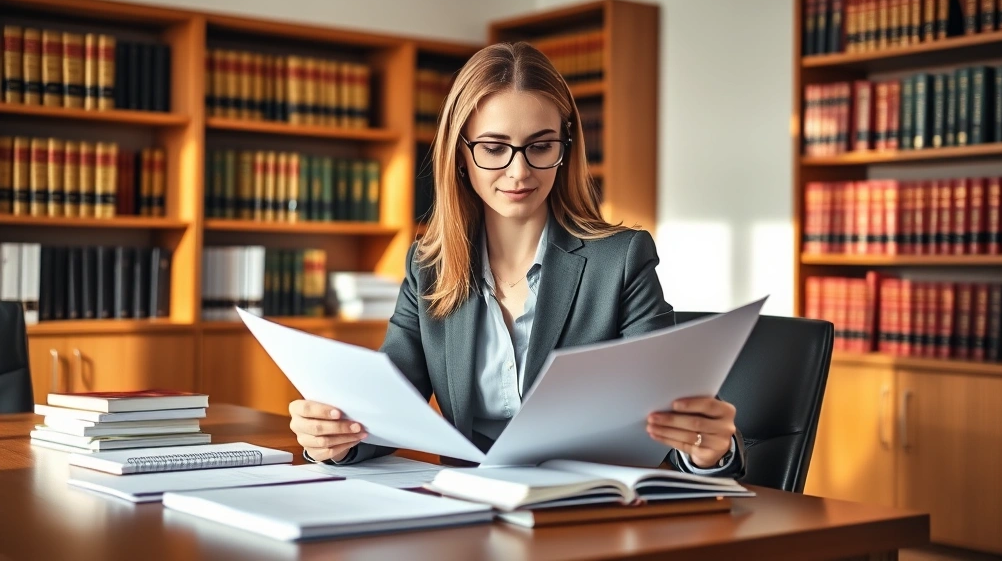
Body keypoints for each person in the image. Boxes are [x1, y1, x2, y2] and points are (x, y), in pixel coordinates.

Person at [289, 41, 745, 477]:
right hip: (470, 513)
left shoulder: (621, 260)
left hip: (584, 511)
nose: (519, 171)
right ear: (460, 154)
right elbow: (385, 410)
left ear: (565, 149)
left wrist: (708, 450)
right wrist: (331, 437)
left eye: (540, 146)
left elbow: (667, 416)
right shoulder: (428, 267)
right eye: (493, 148)